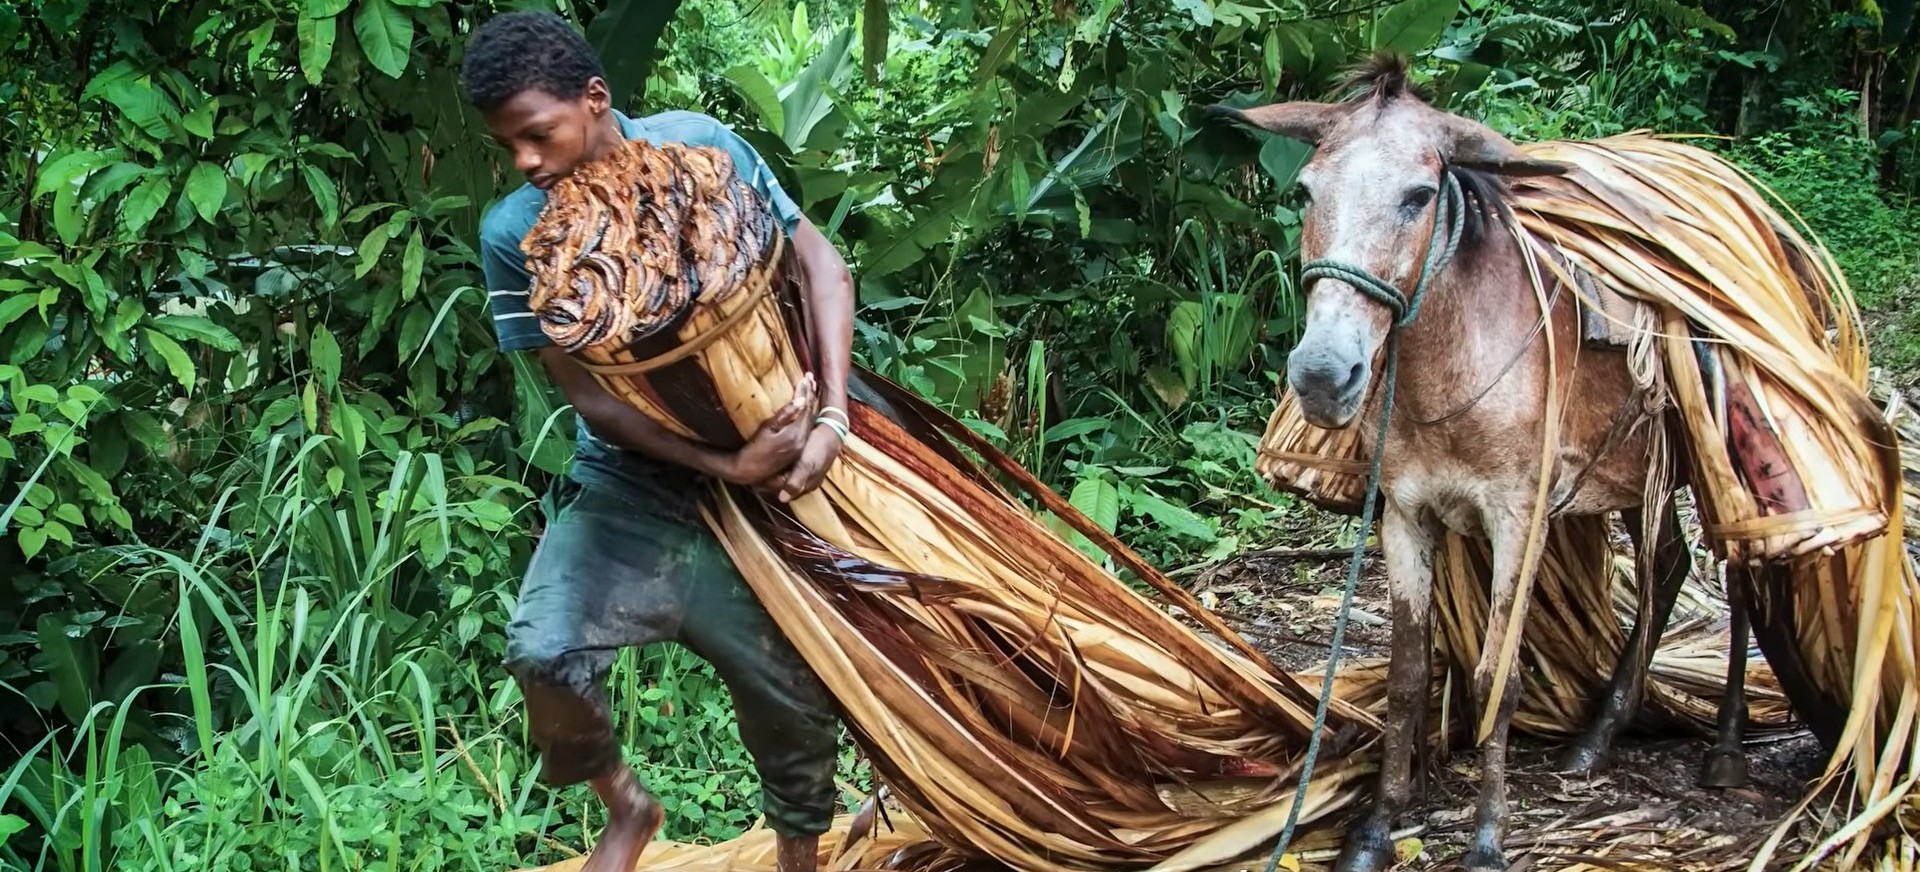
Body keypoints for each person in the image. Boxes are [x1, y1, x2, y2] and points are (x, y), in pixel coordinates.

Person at [459, 11, 855, 872]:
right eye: (507, 145)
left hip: (780, 462)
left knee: (788, 690)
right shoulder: (512, 234)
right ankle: (628, 807)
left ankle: (800, 852)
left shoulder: (701, 149)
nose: (524, 161)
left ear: (595, 98)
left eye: (537, 134)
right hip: (633, 485)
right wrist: (724, 463)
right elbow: (589, 401)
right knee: (543, 650)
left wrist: (831, 417)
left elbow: (821, 264)